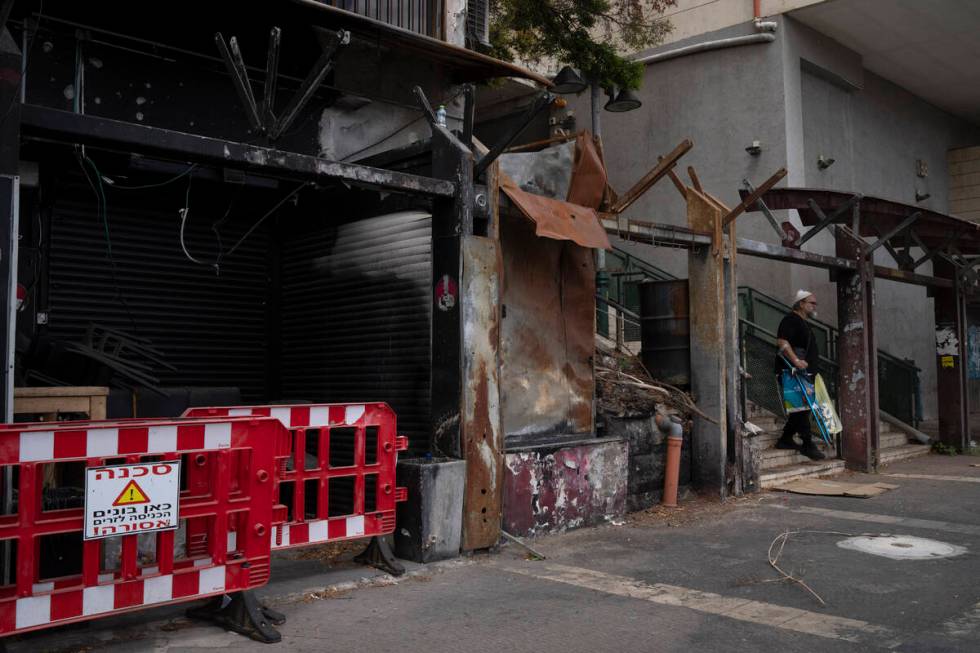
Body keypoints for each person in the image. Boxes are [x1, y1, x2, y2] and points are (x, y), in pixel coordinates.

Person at [773, 290, 825, 461]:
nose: (814, 306)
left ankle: (785, 439)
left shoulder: (803, 322)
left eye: (815, 303)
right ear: (801, 303)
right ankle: (807, 443)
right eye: (811, 303)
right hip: (792, 372)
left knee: (801, 407)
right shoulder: (791, 320)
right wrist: (795, 361)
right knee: (802, 406)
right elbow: (782, 341)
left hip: (803, 373)